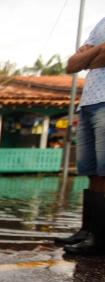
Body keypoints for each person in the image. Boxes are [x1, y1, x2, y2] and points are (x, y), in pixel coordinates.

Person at [56, 18, 105, 254]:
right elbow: (71, 65)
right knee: (92, 171)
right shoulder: (101, 23)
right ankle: (89, 231)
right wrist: (98, 50)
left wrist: (87, 57)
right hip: (88, 104)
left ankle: (100, 239)